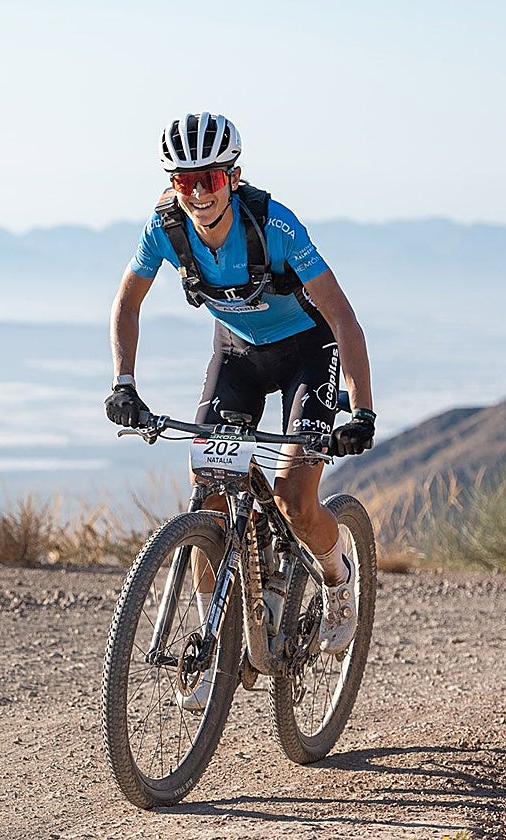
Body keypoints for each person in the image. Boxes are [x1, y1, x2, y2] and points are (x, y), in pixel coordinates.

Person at [105, 112, 376, 709]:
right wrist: (123, 381)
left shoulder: (275, 224)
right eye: (185, 180)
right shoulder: (165, 229)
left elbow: (343, 319)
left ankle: (338, 580)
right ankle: (213, 646)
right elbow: (127, 305)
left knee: (295, 501)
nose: (199, 192)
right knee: (208, 498)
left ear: (231, 175)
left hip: (308, 351)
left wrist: (361, 411)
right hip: (238, 356)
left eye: (211, 178)